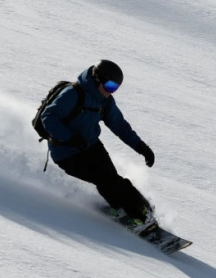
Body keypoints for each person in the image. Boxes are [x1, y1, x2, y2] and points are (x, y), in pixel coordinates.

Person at [40, 60, 157, 232]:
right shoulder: (72, 94)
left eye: (115, 88)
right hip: (66, 153)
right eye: (109, 86)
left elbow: (119, 125)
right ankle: (141, 215)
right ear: (97, 79)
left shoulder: (104, 101)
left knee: (109, 178)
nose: (111, 92)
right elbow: (48, 117)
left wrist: (141, 147)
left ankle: (121, 207)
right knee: (107, 179)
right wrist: (70, 138)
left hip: (91, 146)